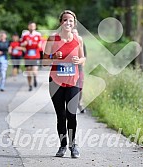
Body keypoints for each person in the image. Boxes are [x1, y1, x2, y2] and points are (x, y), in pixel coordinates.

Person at [43, 10, 86, 158]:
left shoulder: (78, 39)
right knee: (61, 116)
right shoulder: (53, 39)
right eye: (65, 20)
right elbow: (44, 61)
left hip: (73, 81)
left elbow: (82, 58)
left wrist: (79, 61)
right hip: (56, 82)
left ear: (74, 23)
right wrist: (53, 56)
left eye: (71, 20)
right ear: (61, 22)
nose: (68, 22)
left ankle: (73, 146)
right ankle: (62, 146)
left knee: (72, 114)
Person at [21, 22, 42, 91]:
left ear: (35, 27)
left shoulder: (38, 35)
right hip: (27, 56)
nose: (32, 27)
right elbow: (21, 45)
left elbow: (40, 44)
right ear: (28, 27)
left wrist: (39, 44)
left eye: (33, 26)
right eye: (30, 26)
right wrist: (25, 43)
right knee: (28, 70)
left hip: (35, 55)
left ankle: (35, 78)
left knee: (34, 69)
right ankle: (30, 85)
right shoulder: (25, 35)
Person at [72, 28, 87, 113]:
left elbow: (84, 56)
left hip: (79, 67)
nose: (75, 35)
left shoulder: (81, 42)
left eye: (76, 33)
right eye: (73, 33)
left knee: (80, 86)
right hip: (70, 68)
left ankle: (79, 103)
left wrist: (82, 63)